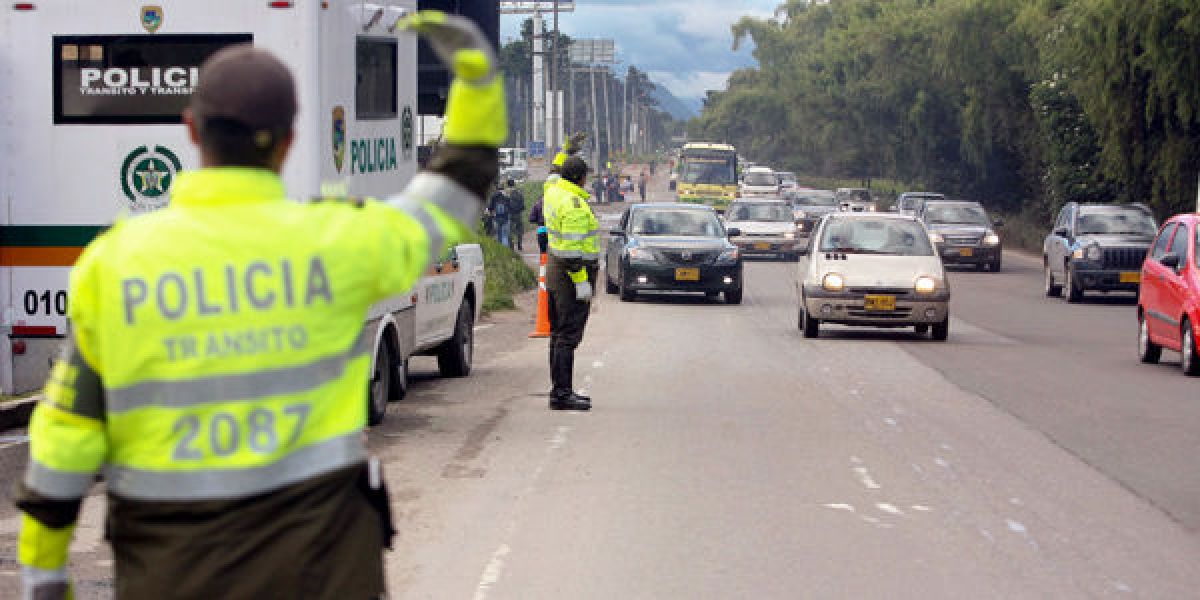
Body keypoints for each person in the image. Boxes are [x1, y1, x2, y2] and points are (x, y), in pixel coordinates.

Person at [14, 11, 504, 600]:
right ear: (291, 139)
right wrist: (477, 82)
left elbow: (64, 443)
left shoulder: (112, 265)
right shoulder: (341, 243)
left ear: (192, 131)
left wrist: (45, 579)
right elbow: (452, 192)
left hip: (172, 574)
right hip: (324, 572)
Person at [544, 156, 599, 411]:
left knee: (557, 334)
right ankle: (562, 394)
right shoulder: (574, 204)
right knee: (567, 336)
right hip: (571, 275)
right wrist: (581, 283)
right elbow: (573, 254)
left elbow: (552, 175)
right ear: (580, 178)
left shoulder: (553, 191)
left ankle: (558, 390)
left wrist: (566, 151)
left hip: (555, 269)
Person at [488, 182, 511, 247]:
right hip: (505, 218)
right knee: (505, 236)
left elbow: (490, 207)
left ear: (497, 188)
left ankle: (500, 250)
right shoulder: (506, 196)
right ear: (503, 188)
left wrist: (491, 213)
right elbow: (510, 207)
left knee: (498, 235)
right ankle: (506, 251)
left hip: (496, 218)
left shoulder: (493, 196)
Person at [506, 179, 525, 251]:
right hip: (518, 214)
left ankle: (511, 246)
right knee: (519, 230)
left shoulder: (506, 194)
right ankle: (519, 245)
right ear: (514, 184)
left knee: (510, 230)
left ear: (508, 185)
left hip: (509, 214)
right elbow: (523, 205)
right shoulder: (519, 193)